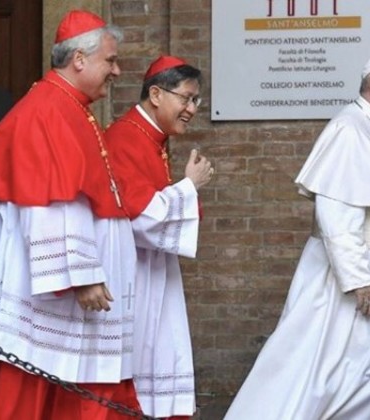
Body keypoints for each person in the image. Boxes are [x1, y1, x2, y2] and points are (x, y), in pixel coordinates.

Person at [224, 52, 370, 420]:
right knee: (327, 371)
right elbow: (335, 211)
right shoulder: (350, 128)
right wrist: (358, 279)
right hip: (360, 275)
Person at [0, 10, 143, 419]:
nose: (117, 70)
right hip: (58, 287)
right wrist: (81, 275)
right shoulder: (47, 110)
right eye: (110, 60)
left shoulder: (70, 106)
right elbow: (47, 201)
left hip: (78, 289)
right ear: (79, 58)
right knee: (40, 385)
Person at [104, 55, 213, 420]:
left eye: (196, 100)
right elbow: (138, 216)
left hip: (151, 271)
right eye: (186, 98)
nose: (192, 109)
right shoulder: (124, 137)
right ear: (156, 93)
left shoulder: (153, 139)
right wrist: (189, 187)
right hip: (132, 274)